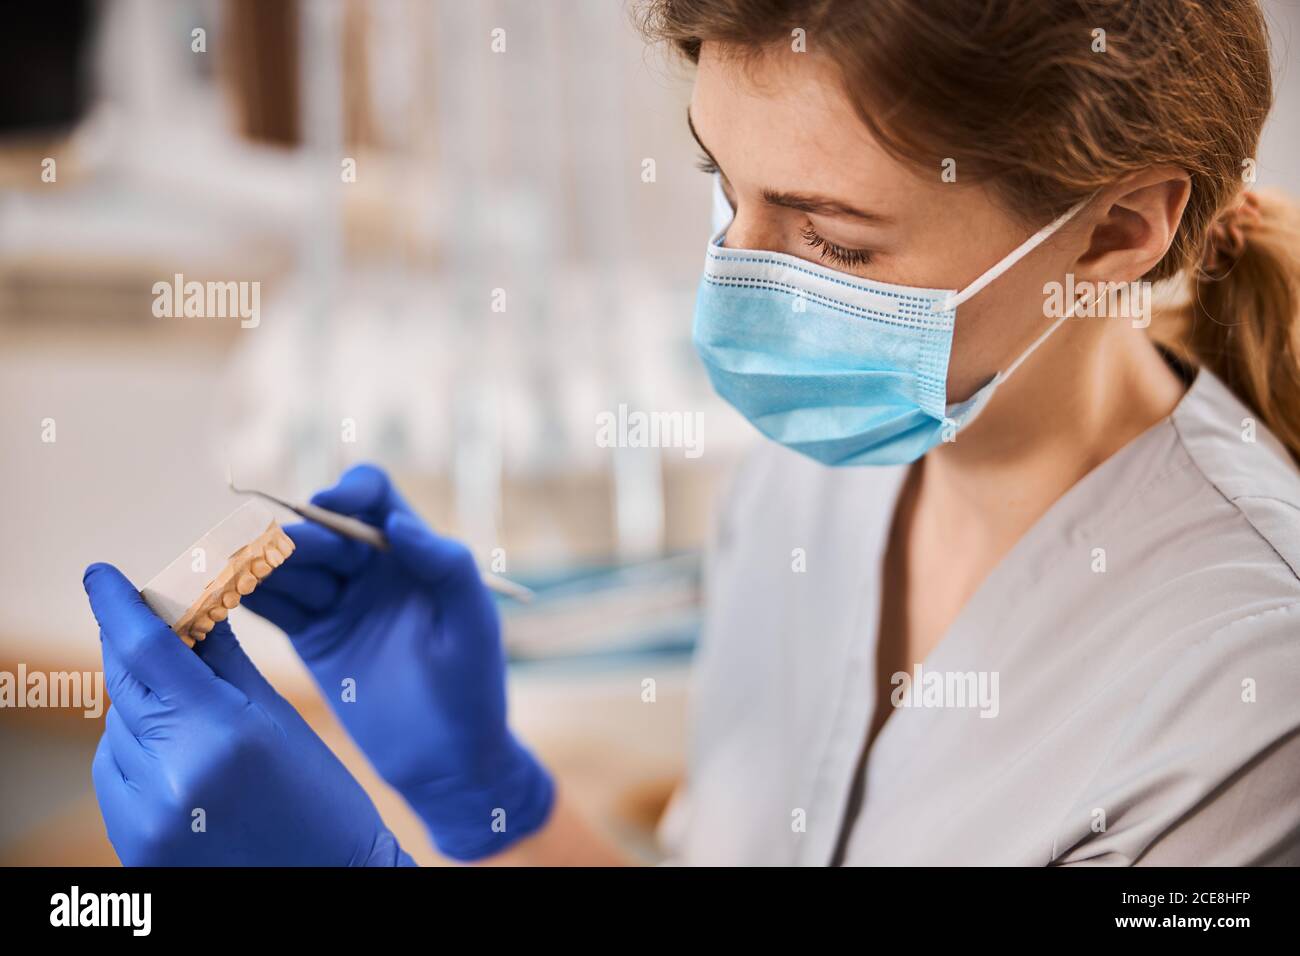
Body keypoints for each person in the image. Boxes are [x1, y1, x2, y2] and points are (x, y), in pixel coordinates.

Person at [86, 0, 1300, 866]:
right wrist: (487, 796)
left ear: (1118, 231)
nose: (740, 285)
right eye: (728, 186)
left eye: (834, 241)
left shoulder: (1244, 708)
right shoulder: (813, 478)